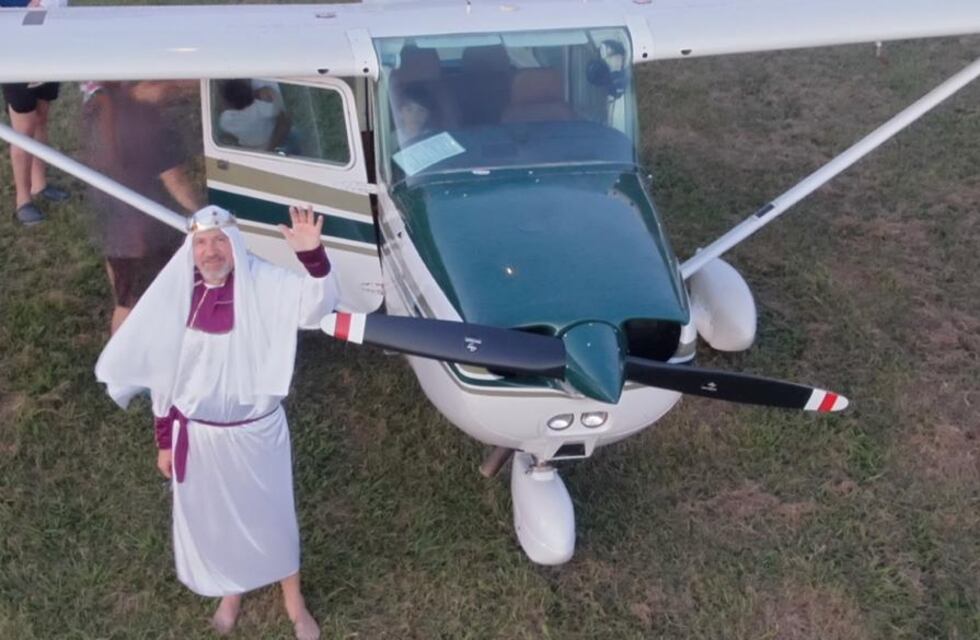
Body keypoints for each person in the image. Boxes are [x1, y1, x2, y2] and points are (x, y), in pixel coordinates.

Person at [95, 204, 337, 640]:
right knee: (217, 520)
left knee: (272, 518)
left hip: (255, 432)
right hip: (199, 437)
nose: (211, 251)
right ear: (191, 249)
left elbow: (315, 309)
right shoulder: (176, 298)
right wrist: (165, 440)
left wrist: (312, 256)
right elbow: (165, 379)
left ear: (235, 243)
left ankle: (293, 601)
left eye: (220, 240)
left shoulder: (264, 283)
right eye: (202, 242)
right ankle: (232, 588)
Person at [81, 81, 202, 334]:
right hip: (145, 231)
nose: (174, 89)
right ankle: (121, 355)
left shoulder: (100, 106)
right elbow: (176, 182)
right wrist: (202, 212)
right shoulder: (151, 124)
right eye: (166, 84)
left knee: (124, 292)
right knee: (130, 303)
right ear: (146, 84)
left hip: (111, 218)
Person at [217, 79, 291, 151]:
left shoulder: (226, 121)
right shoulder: (262, 108)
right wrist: (258, 93)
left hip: (251, 145)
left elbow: (222, 109)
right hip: (270, 138)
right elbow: (282, 113)